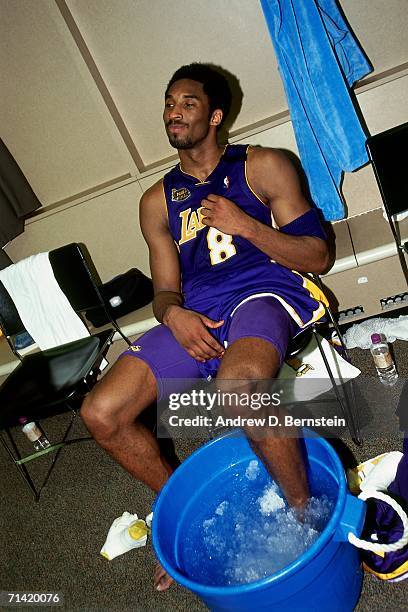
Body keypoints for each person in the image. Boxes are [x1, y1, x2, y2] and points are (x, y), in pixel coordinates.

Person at [81, 63, 330, 590]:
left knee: (238, 390)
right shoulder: (156, 202)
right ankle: (185, 512)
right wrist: (173, 313)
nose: (174, 111)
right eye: (169, 103)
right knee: (101, 413)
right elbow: (165, 289)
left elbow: (317, 255)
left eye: (188, 103)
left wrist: (245, 224)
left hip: (267, 290)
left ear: (214, 116)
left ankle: (307, 516)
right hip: (198, 308)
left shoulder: (263, 167)